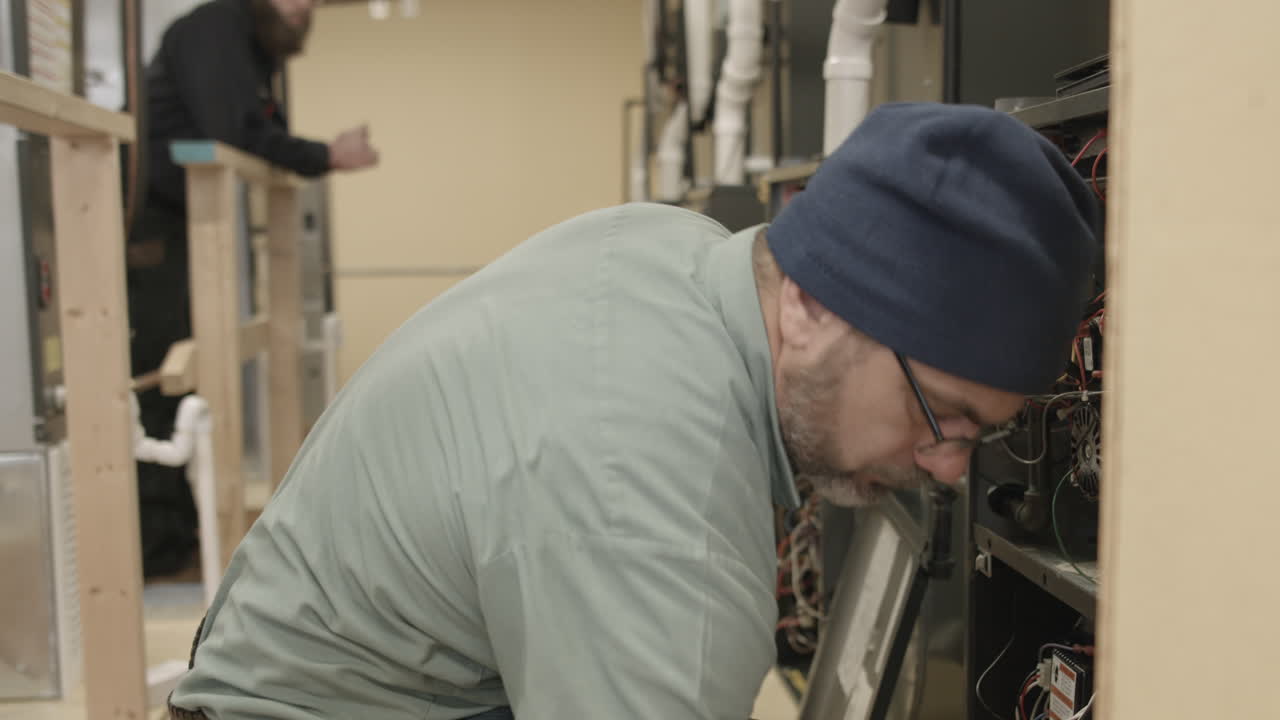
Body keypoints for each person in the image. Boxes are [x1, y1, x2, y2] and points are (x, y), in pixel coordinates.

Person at [168, 103, 1100, 719]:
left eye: (986, 433)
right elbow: (641, 535)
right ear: (813, 306)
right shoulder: (652, 503)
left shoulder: (673, 253)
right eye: (941, 413)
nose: (947, 467)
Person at [128, 0, 377, 577]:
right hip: (149, 221)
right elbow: (235, 130)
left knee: (179, 382)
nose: (304, 9)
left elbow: (262, 129)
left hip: (178, 221)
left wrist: (313, 155)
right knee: (163, 379)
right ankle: (162, 551)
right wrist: (325, 156)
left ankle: (181, 538)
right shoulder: (215, 30)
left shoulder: (249, 48)